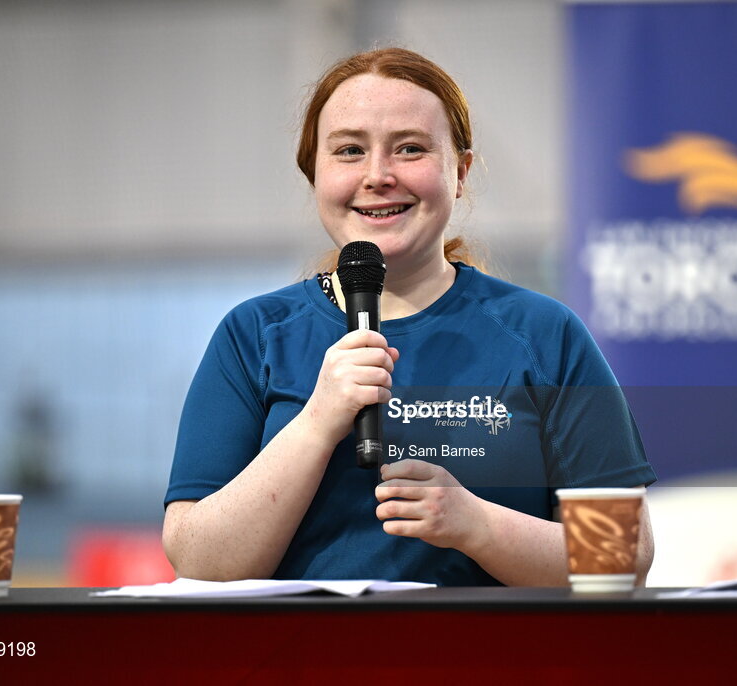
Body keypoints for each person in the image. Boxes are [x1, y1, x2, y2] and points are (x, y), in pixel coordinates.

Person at [162, 47, 655, 586]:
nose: (378, 175)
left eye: (410, 149)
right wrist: (316, 421)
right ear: (314, 175)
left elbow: (624, 556)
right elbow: (198, 563)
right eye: (349, 150)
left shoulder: (543, 334)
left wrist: (478, 525)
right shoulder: (253, 335)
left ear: (460, 172)